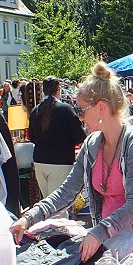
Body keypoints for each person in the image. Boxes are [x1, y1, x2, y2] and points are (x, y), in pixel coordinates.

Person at [11, 62, 133, 259]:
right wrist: (30, 218)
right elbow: (67, 191)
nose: (80, 118)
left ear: (101, 108)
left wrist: (99, 232)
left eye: (81, 110)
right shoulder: (91, 145)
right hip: (114, 240)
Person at [27, 76, 86, 210]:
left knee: (48, 205)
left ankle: (48, 229)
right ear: (59, 89)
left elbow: (32, 137)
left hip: (40, 161)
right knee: (59, 206)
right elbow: (79, 136)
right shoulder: (65, 109)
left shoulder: (36, 110)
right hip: (60, 162)